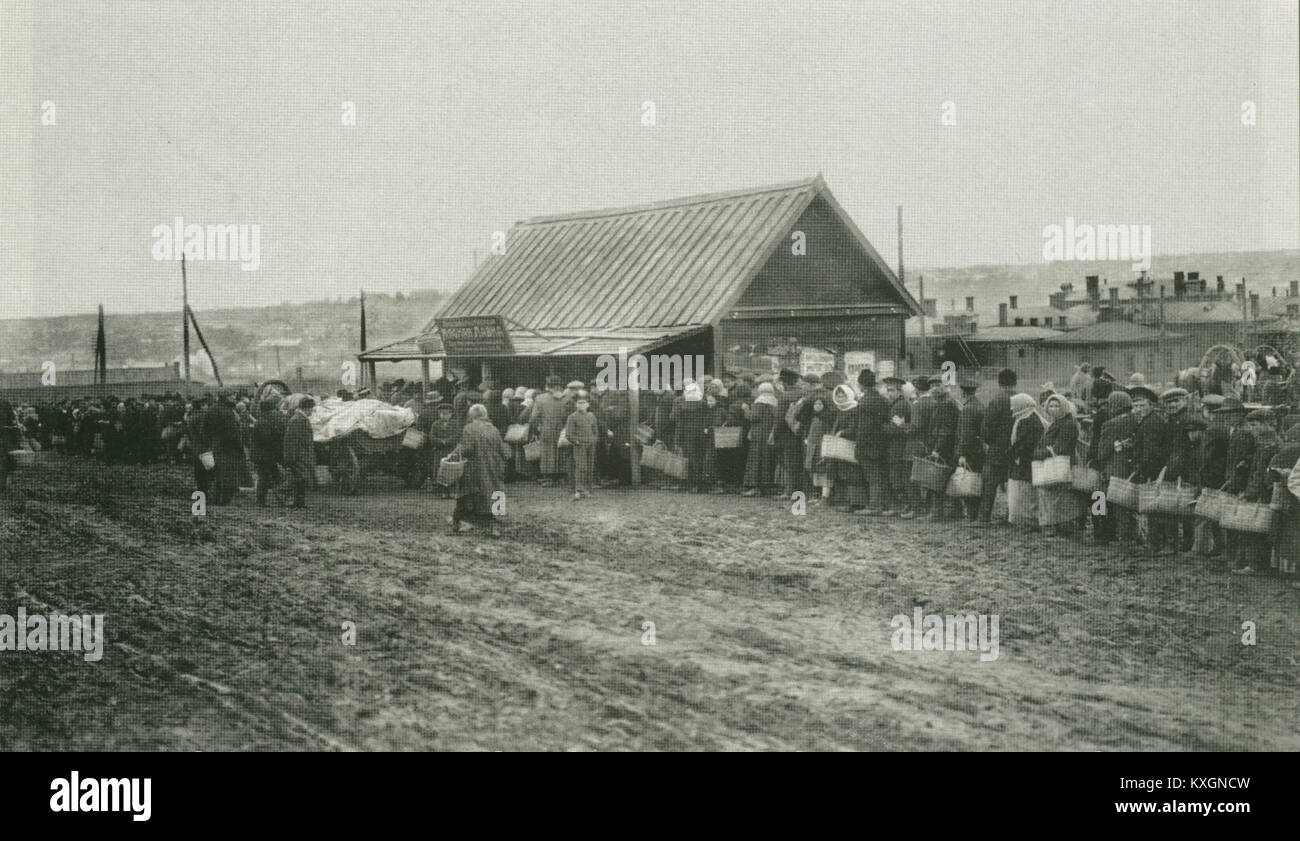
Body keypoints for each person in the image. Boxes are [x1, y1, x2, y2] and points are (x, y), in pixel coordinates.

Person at [449, 403, 511, 536]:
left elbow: (468, 449)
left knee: (468, 493)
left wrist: (457, 453)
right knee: (496, 489)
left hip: (476, 467)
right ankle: (496, 522)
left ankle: (460, 522)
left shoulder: (469, 428)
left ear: (472, 416)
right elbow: (502, 449)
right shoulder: (493, 429)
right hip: (494, 465)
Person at [1230, 410, 1278, 575]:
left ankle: (1255, 565)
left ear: (1266, 424)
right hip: (1265, 491)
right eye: (1250, 425)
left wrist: (1250, 493)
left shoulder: (1267, 445)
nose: (1252, 429)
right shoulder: (1267, 442)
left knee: (1254, 528)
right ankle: (1256, 564)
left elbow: (1260, 473)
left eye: (1254, 425)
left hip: (1261, 493)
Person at [1034, 393, 1087, 536]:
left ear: (1063, 407)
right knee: (1057, 496)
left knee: (1056, 495)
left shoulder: (1067, 423)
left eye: (1057, 406)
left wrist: (1039, 453)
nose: (1053, 409)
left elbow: (1060, 448)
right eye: (1050, 406)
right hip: (1058, 462)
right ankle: (1059, 525)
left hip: (1061, 463)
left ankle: (1056, 525)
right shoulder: (1057, 422)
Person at [1159, 387, 1204, 555]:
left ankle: (1180, 544)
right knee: (1179, 506)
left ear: (1185, 401)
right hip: (1176, 467)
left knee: (1178, 506)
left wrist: (1172, 470)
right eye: (1169, 403)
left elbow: (1182, 449)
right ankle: (1184, 543)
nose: (1172, 405)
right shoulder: (1171, 420)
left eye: (1176, 401)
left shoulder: (1187, 420)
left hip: (1185, 469)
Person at [1095, 390, 1136, 546]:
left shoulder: (1110, 424)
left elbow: (1102, 452)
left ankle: (1106, 534)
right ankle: (1131, 534)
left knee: (1102, 499)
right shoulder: (1135, 419)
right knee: (1127, 501)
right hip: (1130, 467)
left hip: (1113, 467)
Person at [977, 368, 1017, 525]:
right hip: (1015, 450)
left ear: (999, 383)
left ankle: (983, 518)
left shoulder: (997, 400)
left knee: (989, 484)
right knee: (1012, 484)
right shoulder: (1022, 399)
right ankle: (1011, 516)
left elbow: (986, 428)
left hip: (997, 450)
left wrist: (990, 442)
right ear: (1015, 382)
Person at [920, 381, 959, 520]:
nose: (933, 389)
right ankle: (955, 511)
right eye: (931, 386)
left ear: (944, 388)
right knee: (946, 479)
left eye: (937, 386)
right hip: (947, 447)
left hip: (945, 448)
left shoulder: (945, 404)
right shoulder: (944, 402)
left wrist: (937, 449)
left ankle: (936, 513)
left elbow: (945, 430)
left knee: (936, 479)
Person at [1007, 393, 1045, 529]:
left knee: (1026, 492)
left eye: (1013, 406)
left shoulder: (1030, 421)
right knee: (1024, 491)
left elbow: (1024, 444)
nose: (1012, 409)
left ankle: (1028, 521)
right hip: (1024, 460)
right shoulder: (1026, 418)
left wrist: (1012, 454)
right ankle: (1025, 519)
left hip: (1026, 462)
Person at [855, 369, 890, 515]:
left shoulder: (863, 402)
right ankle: (881, 505)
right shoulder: (883, 400)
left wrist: (859, 447)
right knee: (879, 475)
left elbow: (863, 428)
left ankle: (875, 506)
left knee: (872, 476)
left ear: (861, 385)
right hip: (881, 443)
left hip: (867, 445)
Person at [827, 384, 865, 512]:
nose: (840, 398)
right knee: (842, 473)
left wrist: (842, 433)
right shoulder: (839, 409)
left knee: (852, 474)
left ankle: (856, 502)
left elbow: (854, 428)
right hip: (840, 446)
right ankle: (844, 500)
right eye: (838, 395)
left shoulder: (854, 409)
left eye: (843, 395)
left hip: (850, 445)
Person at [881, 376, 915, 519]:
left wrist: (880, 428)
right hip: (896, 446)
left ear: (900, 391)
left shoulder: (899, 406)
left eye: (892, 390)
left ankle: (905, 506)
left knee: (898, 477)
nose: (889, 393)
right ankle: (902, 506)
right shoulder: (896, 404)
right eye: (888, 390)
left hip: (898, 447)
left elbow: (896, 429)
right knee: (897, 477)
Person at [954, 377, 984, 521]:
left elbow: (966, 434)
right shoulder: (979, 405)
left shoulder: (968, 409)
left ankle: (971, 514)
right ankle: (975, 513)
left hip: (971, 452)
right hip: (979, 450)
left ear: (963, 392)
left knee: (969, 481)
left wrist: (962, 454)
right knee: (976, 480)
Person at [529, 377, 568, 486]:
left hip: (547, 429)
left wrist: (535, 429)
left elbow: (534, 417)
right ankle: (562, 477)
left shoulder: (540, 398)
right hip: (563, 429)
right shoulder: (566, 399)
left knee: (548, 453)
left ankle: (549, 478)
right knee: (562, 452)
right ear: (559, 385)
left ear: (548, 385)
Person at [742, 381, 778, 496]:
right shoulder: (774, 401)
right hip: (769, 433)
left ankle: (755, 486)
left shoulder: (759, 402)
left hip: (758, 434)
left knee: (756, 459)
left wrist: (746, 410)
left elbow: (753, 417)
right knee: (767, 459)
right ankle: (766, 486)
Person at [282, 396, 316, 509]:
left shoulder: (300, 418)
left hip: (301, 454)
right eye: (312, 409)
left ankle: (299, 502)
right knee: (301, 478)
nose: (312, 411)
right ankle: (281, 490)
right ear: (306, 408)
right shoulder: (297, 420)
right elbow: (291, 441)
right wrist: (291, 458)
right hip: (298, 455)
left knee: (300, 479)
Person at [251, 398, 286, 506]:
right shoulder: (264, 423)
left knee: (266, 477)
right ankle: (274, 499)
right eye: (273, 410)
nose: (275, 412)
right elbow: (268, 440)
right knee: (268, 477)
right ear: (269, 411)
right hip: (265, 455)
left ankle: (262, 500)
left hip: (261, 455)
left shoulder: (261, 421)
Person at [565, 392, 599, 499]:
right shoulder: (572, 417)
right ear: (575, 404)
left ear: (588, 404)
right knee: (581, 467)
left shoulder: (591, 416)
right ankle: (579, 490)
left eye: (583, 402)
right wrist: (577, 441)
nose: (581, 405)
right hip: (580, 446)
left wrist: (594, 440)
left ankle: (588, 489)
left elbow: (595, 431)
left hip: (590, 445)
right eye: (579, 403)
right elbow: (569, 434)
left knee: (590, 466)